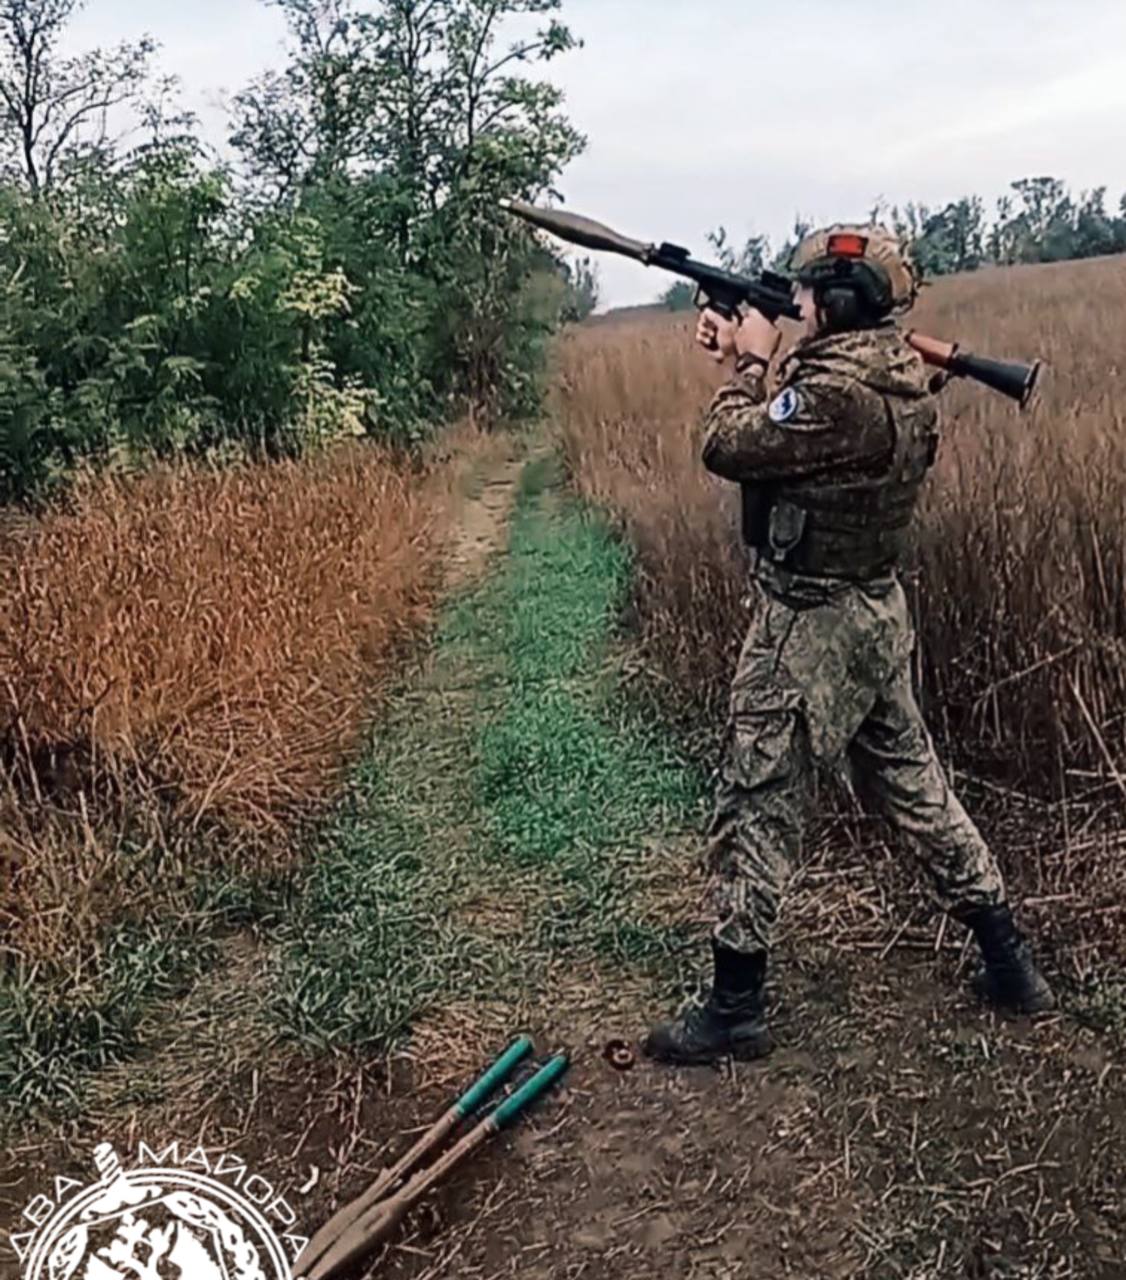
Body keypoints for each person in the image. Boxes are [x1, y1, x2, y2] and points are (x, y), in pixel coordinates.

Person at [643, 225, 1055, 1067]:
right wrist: (741, 349)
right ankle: (1009, 961)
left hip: (809, 627)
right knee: (915, 787)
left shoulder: (834, 396)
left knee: (757, 798)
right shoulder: (897, 376)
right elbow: (806, 426)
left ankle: (735, 1006)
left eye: (802, 299)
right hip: (873, 615)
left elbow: (729, 445)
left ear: (830, 305)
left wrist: (750, 367)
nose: (791, 308)